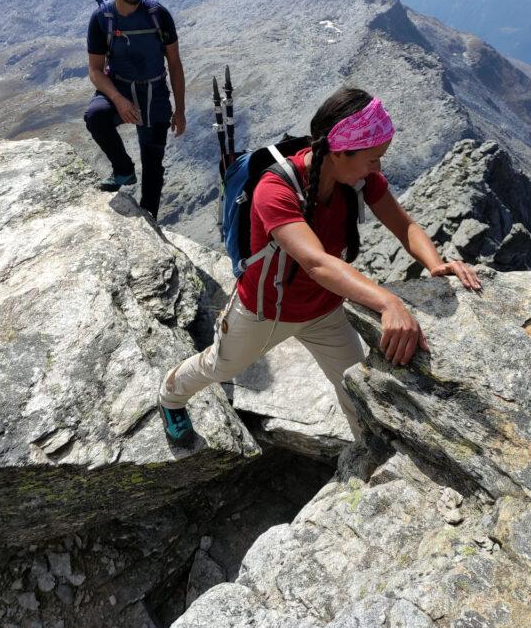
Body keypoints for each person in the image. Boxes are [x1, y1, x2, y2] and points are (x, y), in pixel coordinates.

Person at [158, 87, 481, 445]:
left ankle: (371, 459)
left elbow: (403, 224)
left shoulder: (357, 177)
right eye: (373, 159)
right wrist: (389, 302)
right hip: (264, 312)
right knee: (221, 367)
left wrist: (436, 266)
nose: (379, 168)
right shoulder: (274, 189)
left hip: (325, 310)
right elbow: (316, 263)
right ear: (340, 152)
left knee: (357, 392)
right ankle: (170, 397)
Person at [83, 0, 186, 218]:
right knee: (96, 116)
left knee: (153, 166)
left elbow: (174, 64)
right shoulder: (102, 19)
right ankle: (123, 170)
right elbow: (95, 70)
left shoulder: (158, 16)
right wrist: (118, 99)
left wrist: (180, 110)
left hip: (154, 94)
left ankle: (149, 219)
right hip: (119, 86)